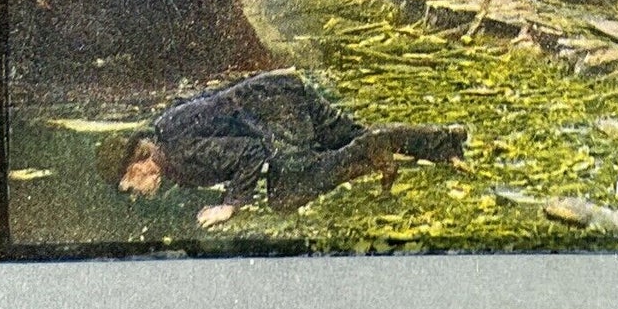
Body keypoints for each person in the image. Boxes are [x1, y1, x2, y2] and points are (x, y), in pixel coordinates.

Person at [100, 70, 467, 228]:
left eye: (129, 185)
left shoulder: (176, 154)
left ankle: (373, 149)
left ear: (140, 163)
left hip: (278, 111)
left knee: (287, 194)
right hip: (283, 92)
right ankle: (447, 143)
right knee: (346, 134)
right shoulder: (169, 135)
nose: (136, 193)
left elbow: (250, 153)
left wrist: (231, 205)